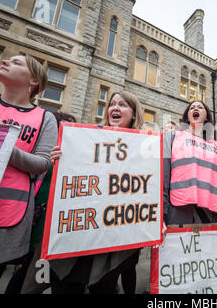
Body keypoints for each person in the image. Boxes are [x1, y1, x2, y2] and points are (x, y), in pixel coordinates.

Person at [0, 53, 58, 294]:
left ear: (33, 82)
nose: (5, 61)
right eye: (7, 59)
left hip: (4, 218)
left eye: (16, 62)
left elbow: (42, 163)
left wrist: (3, 140)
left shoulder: (44, 118)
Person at [48, 91, 145, 294]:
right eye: (112, 104)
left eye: (123, 104)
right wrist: (60, 158)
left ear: (135, 114)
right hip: (78, 233)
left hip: (112, 238)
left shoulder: (145, 148)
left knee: (104, 286)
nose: (115, 108)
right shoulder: (86, 138)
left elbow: (147, 189)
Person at [4, 112, 76, 294]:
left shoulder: (73, 155)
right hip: (36, 221)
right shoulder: (44, 154)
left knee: (39, 273)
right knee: (27, 272)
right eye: (65, 128)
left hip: (56, 228)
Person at [163, 100, 217, 228]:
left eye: (200, 107)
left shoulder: (216, 146)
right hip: (178, 212)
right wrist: (162, 209)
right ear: (188, 116)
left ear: (206, 115)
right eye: (192, 108)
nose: (195, 108)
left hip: (211, 214)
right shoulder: (173, 137)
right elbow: (163, 174)